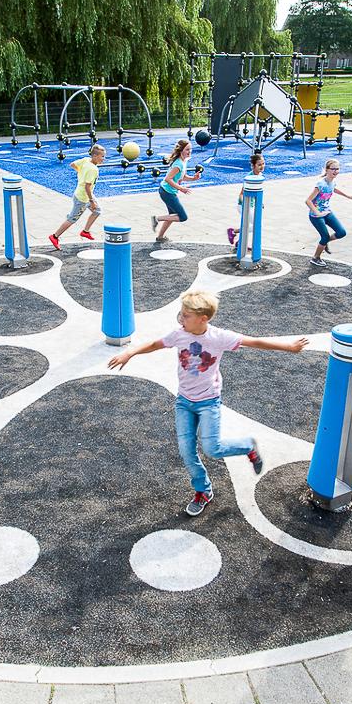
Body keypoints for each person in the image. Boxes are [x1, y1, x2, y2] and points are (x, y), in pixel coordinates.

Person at [108, 289, 307, 516]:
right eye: (181, 314)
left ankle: (248, 446)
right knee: (186, 451)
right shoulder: (179, 334)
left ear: (204, 318)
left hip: (208, 402)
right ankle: (203, 490)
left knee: (212, 448)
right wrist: (130, 353)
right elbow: (155, 344)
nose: (180, 319)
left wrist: (289, 347)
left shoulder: (218, 337)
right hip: (184, 402)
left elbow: (254, 342)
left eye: (186, 315)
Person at [48, 144, 105, 251]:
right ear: (95, 156)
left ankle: (85, 231)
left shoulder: (86, 160)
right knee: (72, 219)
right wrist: (91, 201)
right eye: (102, 156)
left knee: (97, 211)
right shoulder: (93, 169)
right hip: (83, 198)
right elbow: (87, 187)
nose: (103, 159)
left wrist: (81, 173)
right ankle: (55, 236)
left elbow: (73, 164)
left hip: (83, 194)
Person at [304, 159, 352, 268]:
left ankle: (324, 242)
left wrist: (348, 196)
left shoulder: (332, 181)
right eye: (333, 169)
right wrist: (317, 213)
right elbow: (308, 201)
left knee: (341, 232)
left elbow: (334, 189)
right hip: (316, 216)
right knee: (324, 236)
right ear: (327, 170)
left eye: (337, 169)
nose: (335, 171)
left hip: (327, 212)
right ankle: (316, 258)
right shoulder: (320, 184)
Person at [151, 139, 201, 243]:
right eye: (187, 149)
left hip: (167, 191)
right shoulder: (179, 164)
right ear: (181, 150)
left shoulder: (184, 161)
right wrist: (181, 188)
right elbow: (168, 179)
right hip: (167, 192)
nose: (189, 151)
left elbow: (181, 177)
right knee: (182, 217)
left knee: (172, 216)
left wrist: (193, 178)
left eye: (190, 149)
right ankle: (156, 219)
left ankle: (160, 237)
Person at [227, 153, 264, 247]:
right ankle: (233, 232)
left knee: (250, 225)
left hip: (251, 205)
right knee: (256, 225)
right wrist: (245, 205)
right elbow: (241, 194)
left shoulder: (260, 175)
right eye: (259, 165)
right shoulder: (250, 177)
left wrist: (260, 202)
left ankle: (240, 242)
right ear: (253, 166)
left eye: (263, 164)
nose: (262, 166)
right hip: (244, 205)